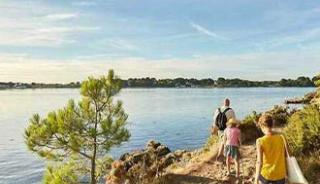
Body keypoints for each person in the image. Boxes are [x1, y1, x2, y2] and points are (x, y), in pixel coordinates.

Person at [254, 114, 288, 184]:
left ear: (261, 126)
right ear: (272, 125)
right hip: (280, 174)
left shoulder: (260, 141)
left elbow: (259, 162)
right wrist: (286, 174)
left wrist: (256, 179)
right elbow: (286, 156)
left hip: (267, 175)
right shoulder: (281, 137)